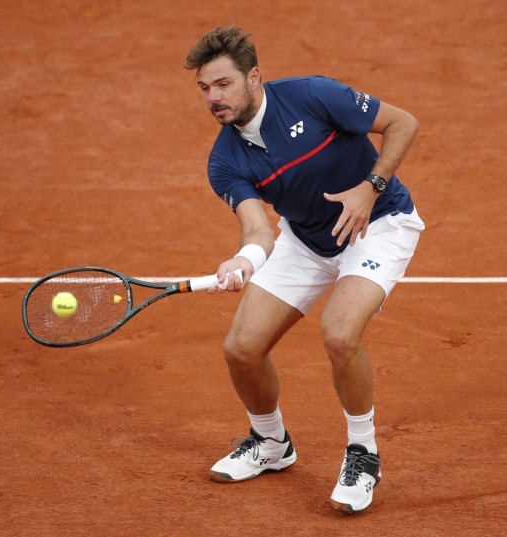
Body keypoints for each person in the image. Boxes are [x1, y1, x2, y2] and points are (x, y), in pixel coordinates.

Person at [184, 26, 425, 513]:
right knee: (241, 349)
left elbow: (404, 123)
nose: (213, 98)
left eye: (223, 84)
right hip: (306, 240)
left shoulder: (313, 96)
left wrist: (371, 186)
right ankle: (272, 445)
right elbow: (258, 229)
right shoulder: (224, 161)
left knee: (339, 334)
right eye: (204, 89)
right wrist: (245, 259)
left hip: (378, 225)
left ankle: (363, 452)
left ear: (254, 78)